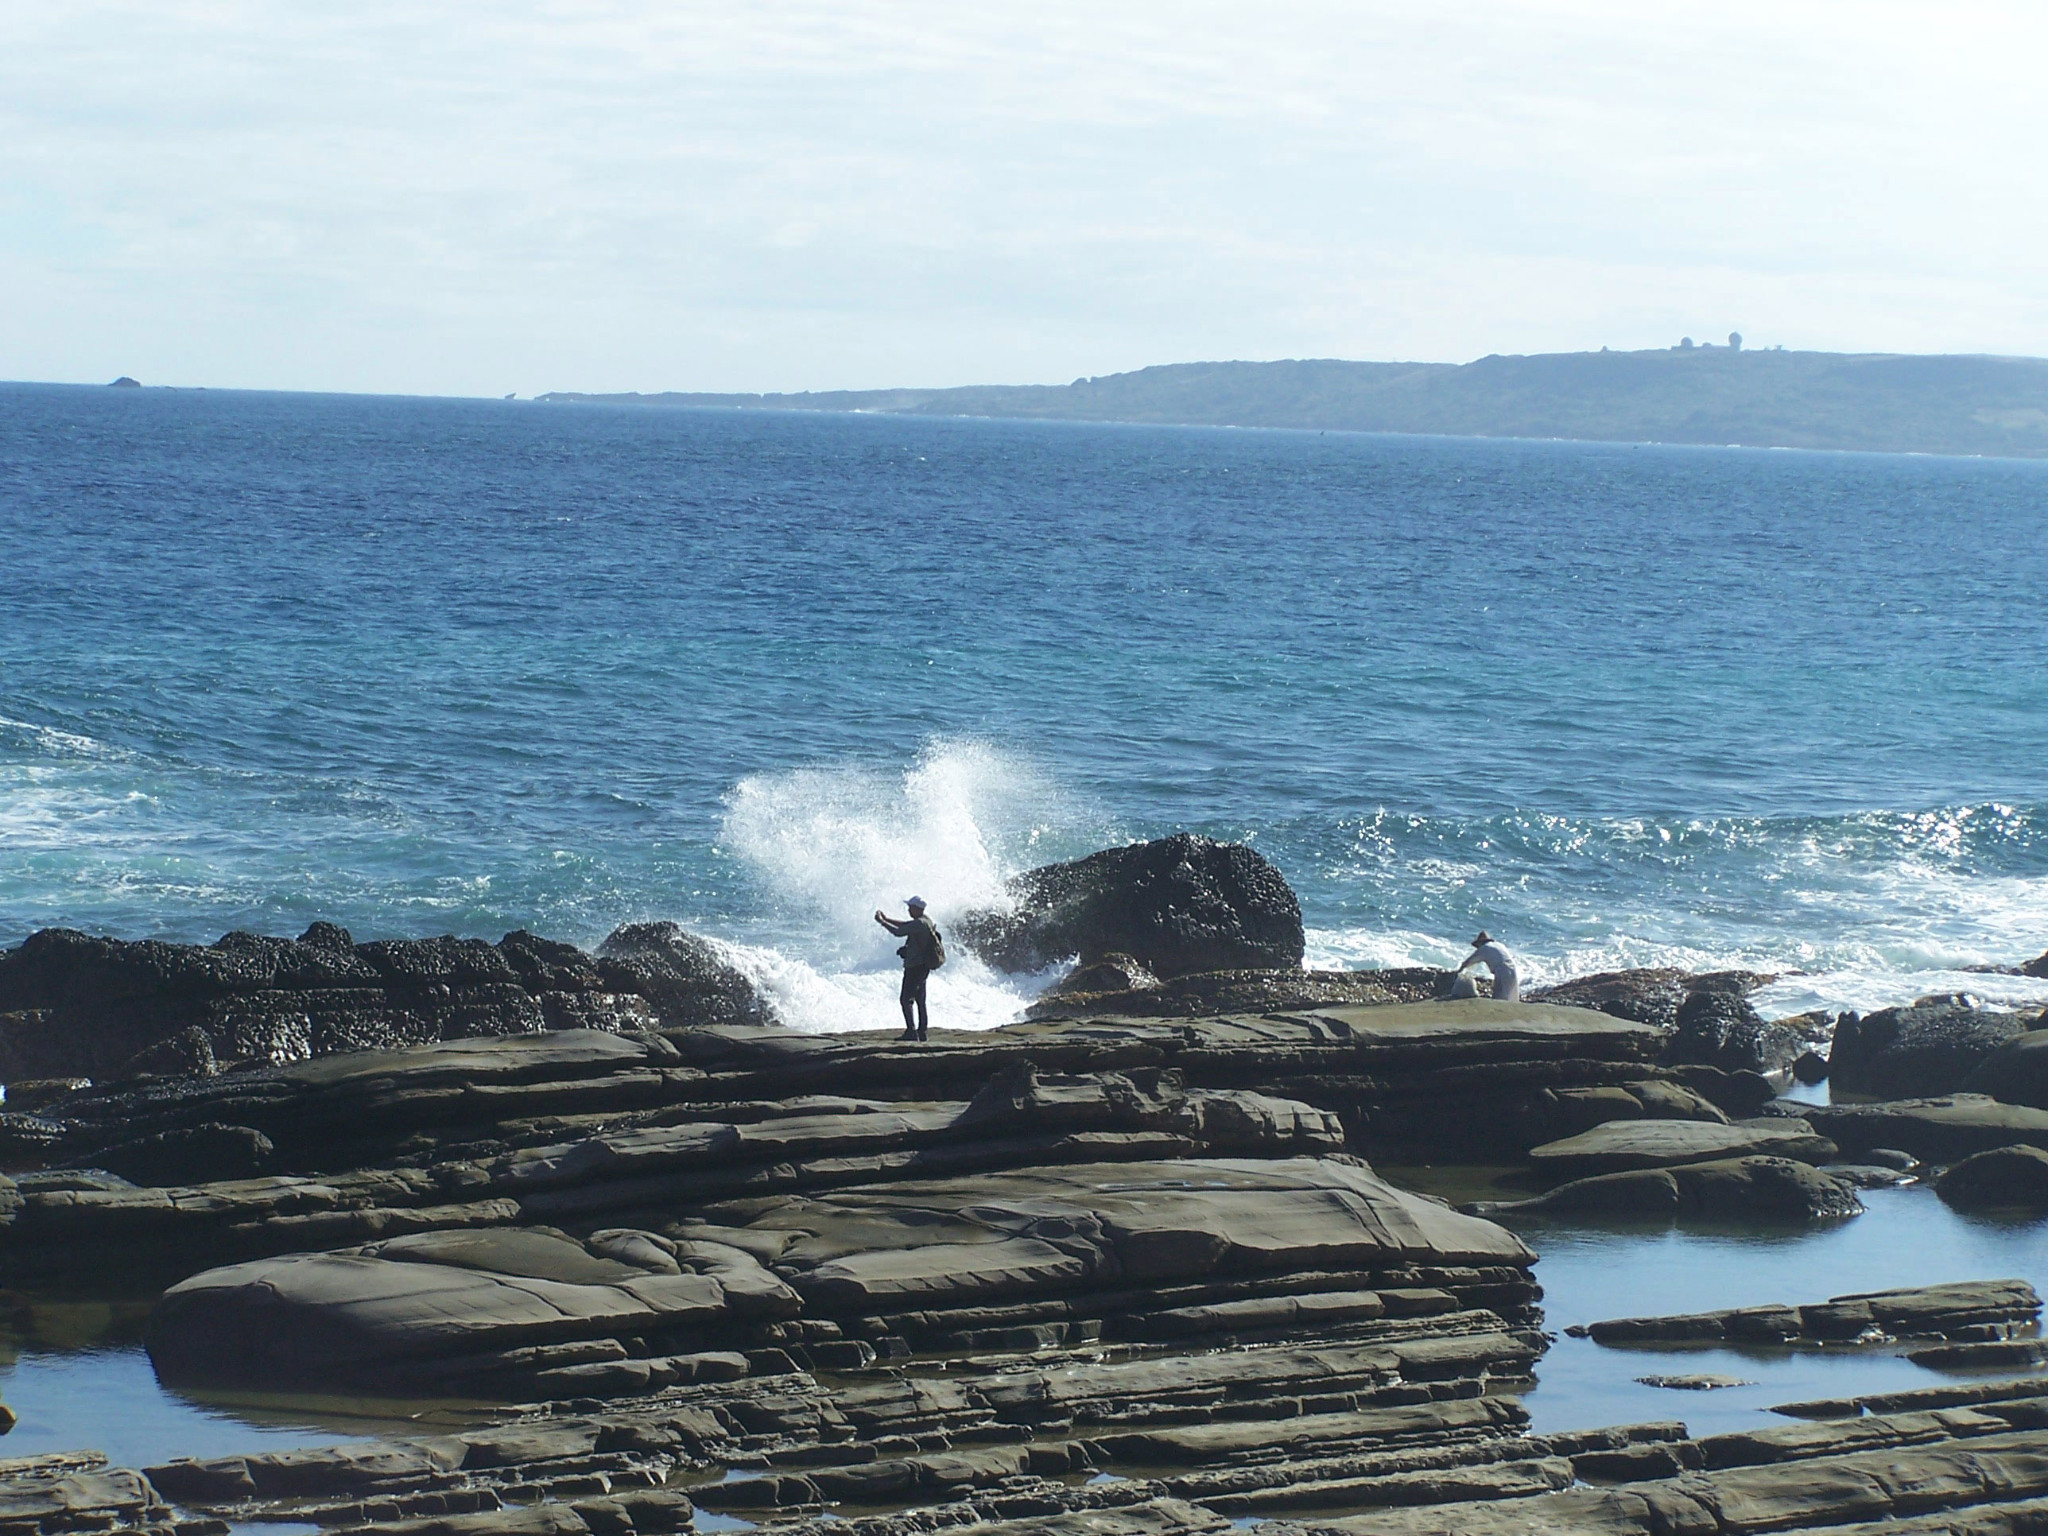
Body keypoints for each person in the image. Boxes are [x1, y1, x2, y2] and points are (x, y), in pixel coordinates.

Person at [874, 896, 942, 1041]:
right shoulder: (926, 920)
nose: (908, 909)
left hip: (915, 966)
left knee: (906, 999)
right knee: (920, 1000)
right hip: (923, 966)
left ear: (918, 909)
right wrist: (887, 919)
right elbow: (906, 925)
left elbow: (898, 932)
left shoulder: (919, 924)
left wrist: (882, 922)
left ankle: (911, 1032)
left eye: (911, 907)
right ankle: (922, 1032)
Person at [1451, 930, 1520, 1002]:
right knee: (1511, 996)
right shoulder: (1499, 945)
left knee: (1500, 997)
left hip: (1502, 970)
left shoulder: (1484, 948)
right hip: (1513, 969)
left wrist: (1458, 972)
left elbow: (1468, 962)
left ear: (1480, 942)